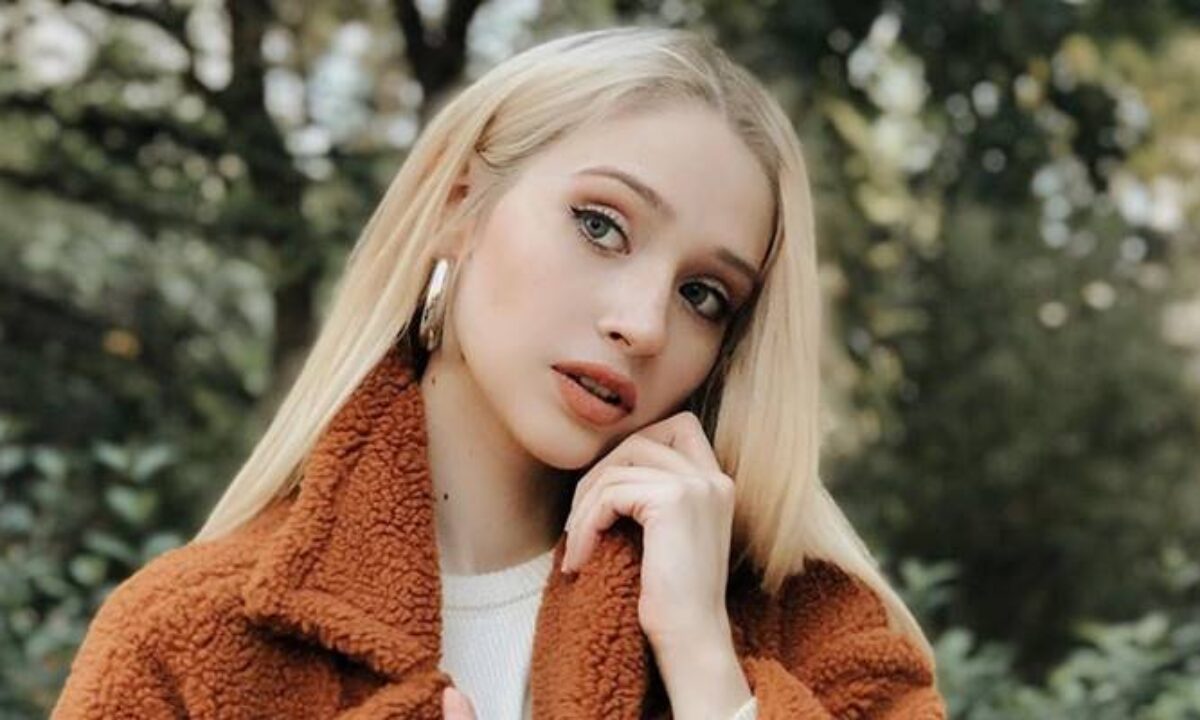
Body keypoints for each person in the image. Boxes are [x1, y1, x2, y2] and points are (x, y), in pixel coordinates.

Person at [51, 26, 946, 719]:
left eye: (704, 294)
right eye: (601, 225)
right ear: (459, 206)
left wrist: (707, 668)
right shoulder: (187, 641)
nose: (642, 324)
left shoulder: (815, 635)